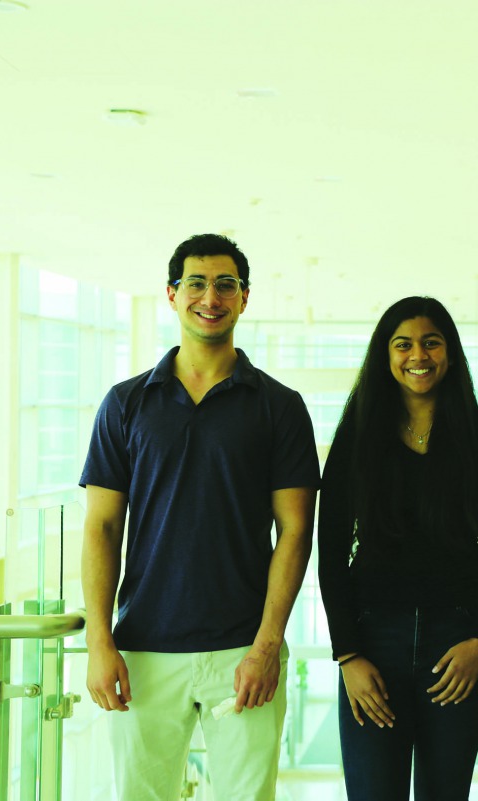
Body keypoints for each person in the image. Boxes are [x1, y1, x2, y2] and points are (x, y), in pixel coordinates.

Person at [80, 233, 319, 800]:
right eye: (196, 284)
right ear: (172, 294)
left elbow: (296, 531)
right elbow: (102, 528)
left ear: (243, 298)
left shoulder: (279, 406)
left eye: (225, 285)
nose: (210, 297)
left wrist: (266, 647)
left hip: (243, 649)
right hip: (142, 648)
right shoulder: (126, 403)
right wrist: (99, 641)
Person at [318, 296, 478, 801]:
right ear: (385, 356)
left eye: (432, 342)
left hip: (457, 643)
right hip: (372, 645)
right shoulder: (358, 434)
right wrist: (347, 654)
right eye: (403, 344)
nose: (419, 355)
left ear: (450, 353)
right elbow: (330, 553)